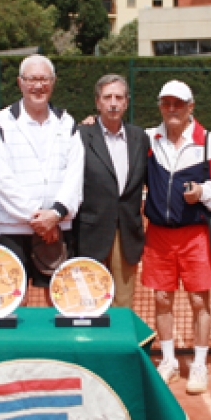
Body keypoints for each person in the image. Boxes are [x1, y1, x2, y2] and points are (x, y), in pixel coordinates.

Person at [144, 80, 211, 395]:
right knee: (161, 298)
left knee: (199, 300)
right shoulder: (148, 139)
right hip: (158, 235)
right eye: (167, 103)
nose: (172, 109)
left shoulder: (209, 142)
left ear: (190, 107)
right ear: (160, 106)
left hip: (195, 234)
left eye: (178, 104)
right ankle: (168, 360)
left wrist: (203, 192)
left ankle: (199, 363)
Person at [0, 54, 84, 303]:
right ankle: (16, 345)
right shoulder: (0, 122)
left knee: (59, 299)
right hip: (12, 228)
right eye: (32, 79)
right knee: (13, 302)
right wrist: (40, 219)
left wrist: (55, 215)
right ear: (20, 82)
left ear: (53, 82)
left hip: (57, 226)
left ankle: (56, 345)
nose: (38, 85)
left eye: (44, 79)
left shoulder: (67, 122)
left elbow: (74, 174)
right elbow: (0, 179)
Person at [73, 74, 149, 307]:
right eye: (107, 97)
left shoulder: (140, 137)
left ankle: (121, 345)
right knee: (88, 302)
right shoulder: (79, 135)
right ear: (98, 102)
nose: (113, 103)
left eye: (119, 97)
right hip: (89, 234)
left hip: (127, 233)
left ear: (126, 102)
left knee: (123, 304)